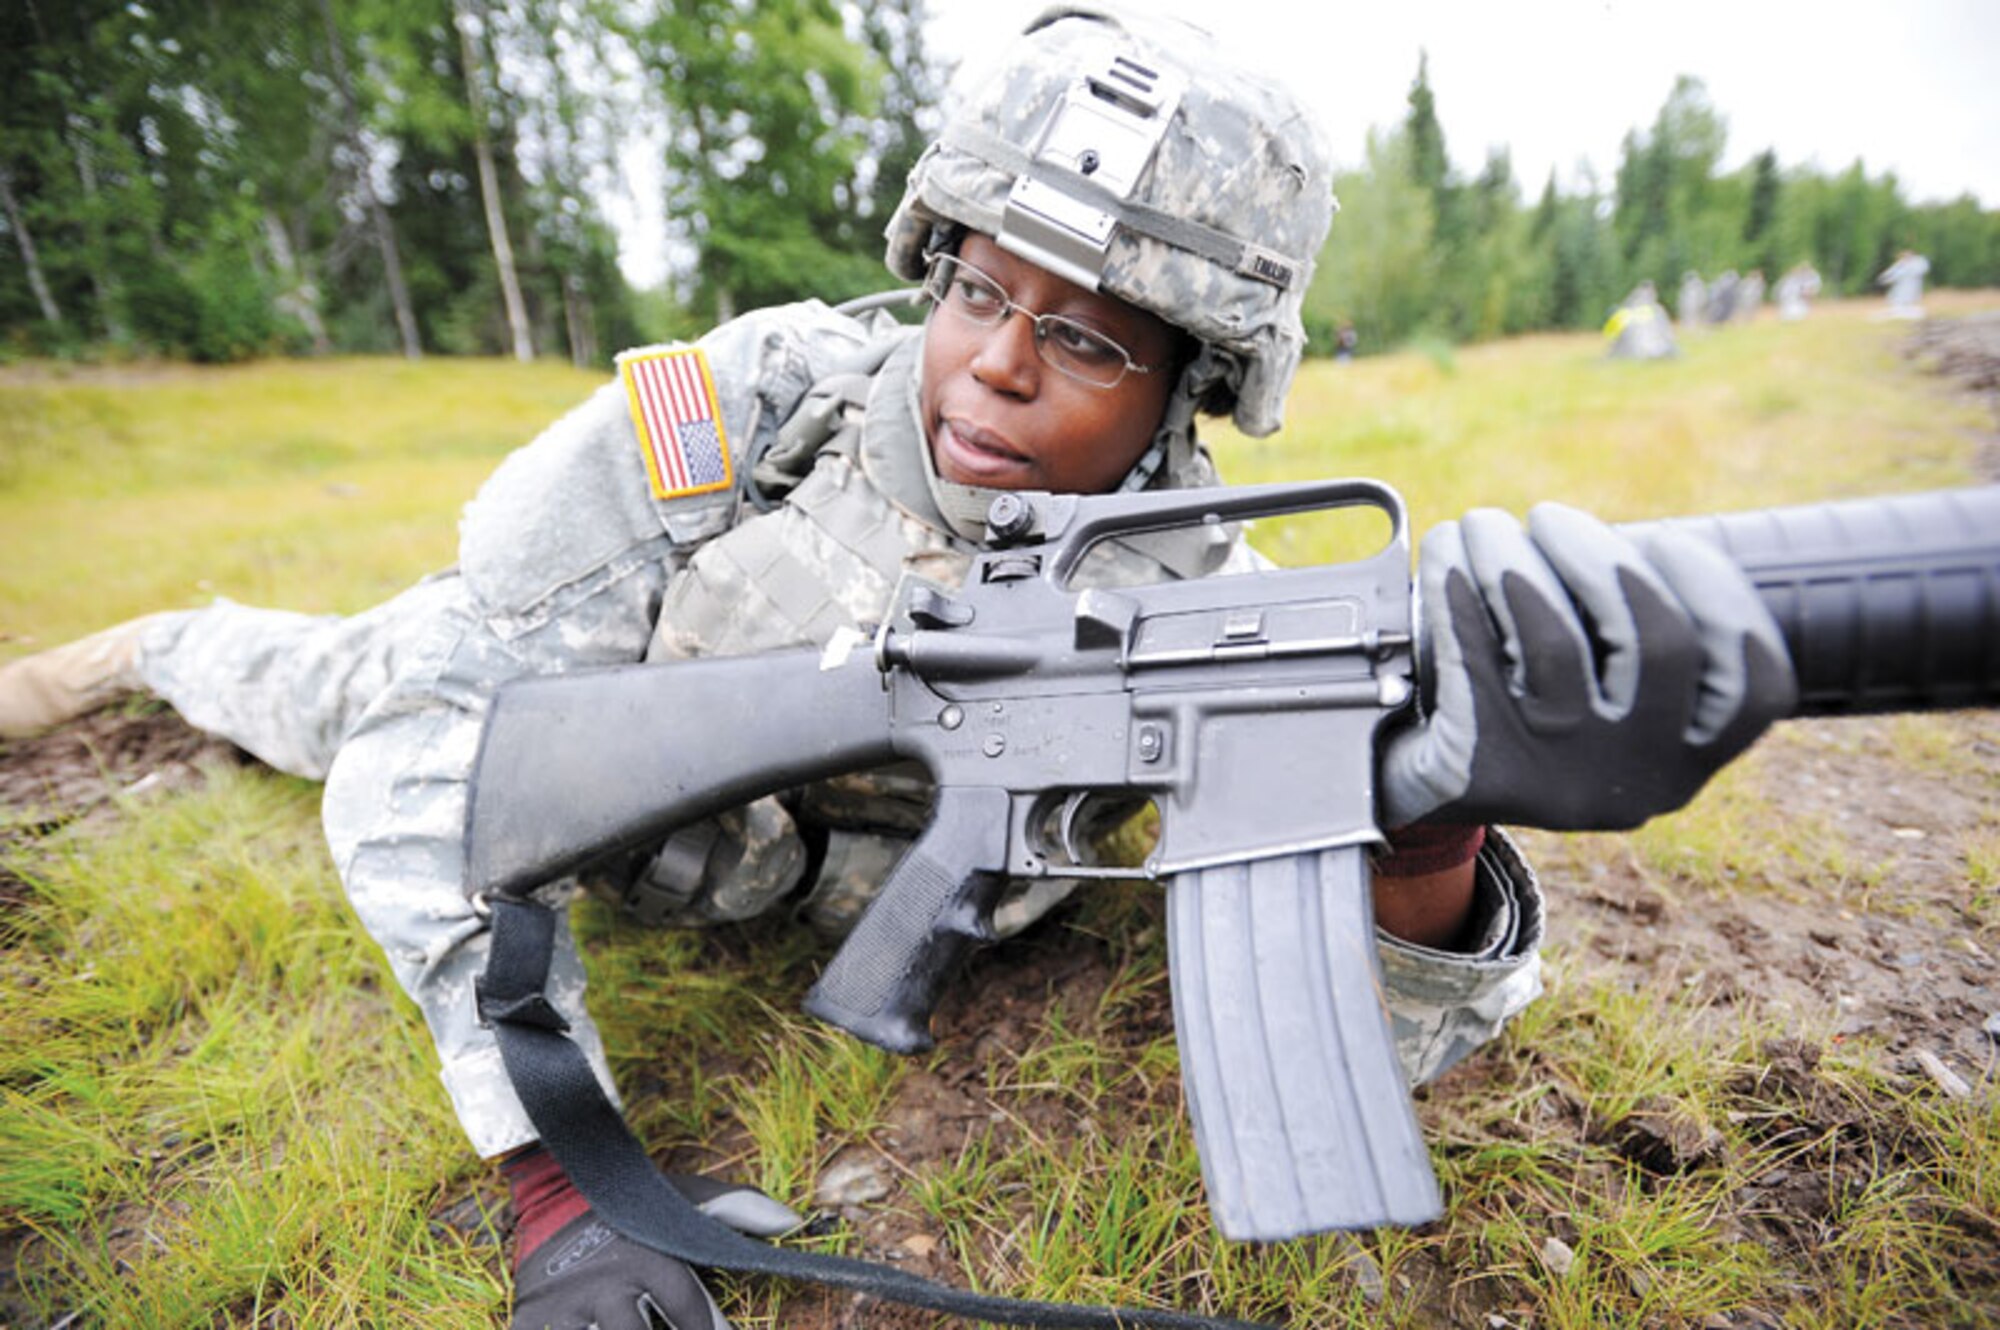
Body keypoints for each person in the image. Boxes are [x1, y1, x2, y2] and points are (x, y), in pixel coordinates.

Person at [0, 7, 1796, 1326]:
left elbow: (1380, 1051)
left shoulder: (1218, 605)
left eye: (1083, 335)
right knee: (303, 686)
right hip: (548, 703)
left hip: (836, 878)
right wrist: (564, 1184)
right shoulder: (746, 413)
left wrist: (1421, 854)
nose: (998, 366)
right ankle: (139, 645)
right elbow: (432, 742)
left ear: (1189, 385)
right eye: (976, 292)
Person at [1878, 249, 1930, 319]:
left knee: (1907, 297)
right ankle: (1899, 310)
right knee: (1897, 296)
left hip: (1912, 284)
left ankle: (1906, 310)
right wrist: (1884, 277)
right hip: (1902, 284)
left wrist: (1887, 280)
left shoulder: (1918, 262)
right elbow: (1893, 269)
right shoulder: (1903, 262)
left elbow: (1900, 274)